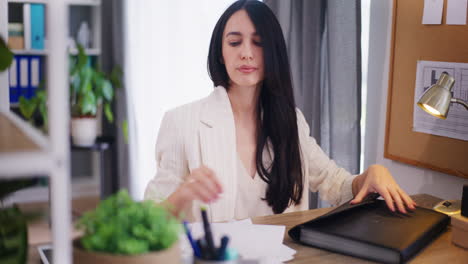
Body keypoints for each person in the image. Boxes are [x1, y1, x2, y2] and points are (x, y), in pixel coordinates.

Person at [144, 0, 416, 222]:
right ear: (220, 53)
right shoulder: (182, 122)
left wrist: (369, 175)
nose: (247, 53)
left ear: (273, 52)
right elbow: (147, 221)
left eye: (259, 43)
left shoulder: (291, 120)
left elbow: (334, 184)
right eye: (235, 42)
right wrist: (183, 194)